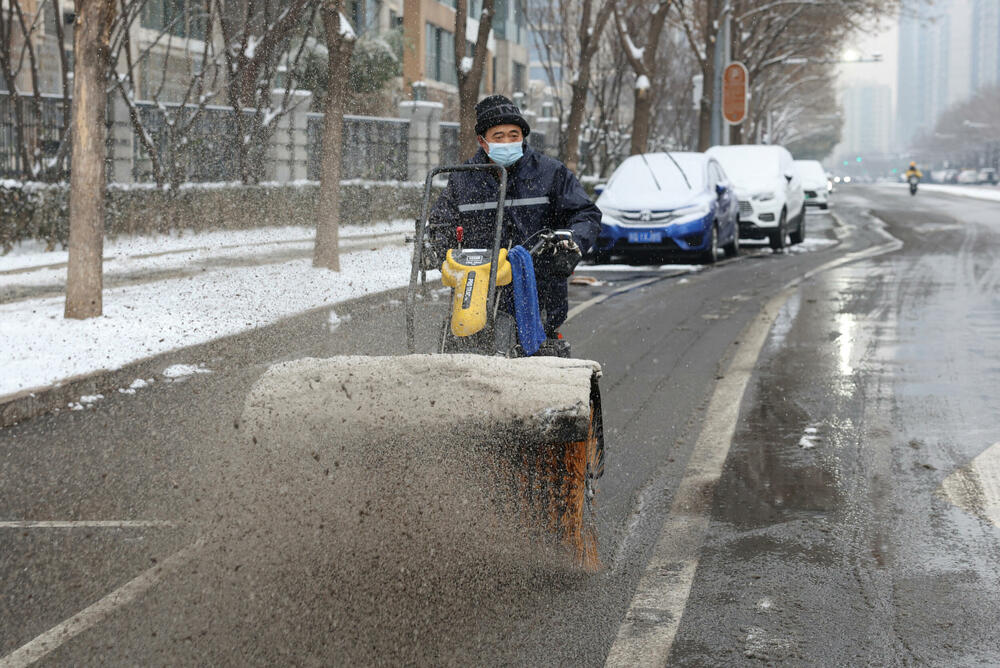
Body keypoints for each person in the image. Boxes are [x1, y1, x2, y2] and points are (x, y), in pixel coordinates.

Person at [428, 94, 601, 340]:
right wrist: (438, 246)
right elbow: (441, 222)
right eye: (498, 136)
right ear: (482, 141)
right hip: (477, 291)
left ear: (522, 137)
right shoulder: (463, 179)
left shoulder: (550, 173)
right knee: (460, 346)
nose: (507, 142)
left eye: (514, 135)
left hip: (539, 289)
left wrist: (571, 242)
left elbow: (586, 214)